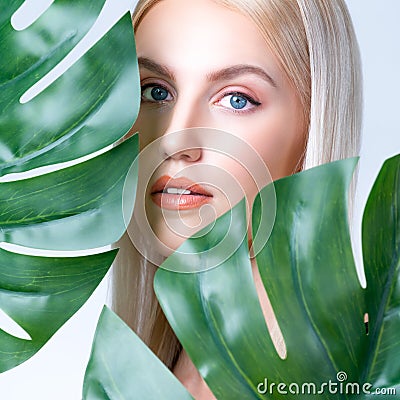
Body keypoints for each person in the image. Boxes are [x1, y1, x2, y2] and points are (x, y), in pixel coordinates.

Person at [112, 0, 362, 398]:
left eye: (236, 99)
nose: (175, 139)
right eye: (155, 91)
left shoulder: (367, 370)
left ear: (313, 127)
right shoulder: (145, 376)